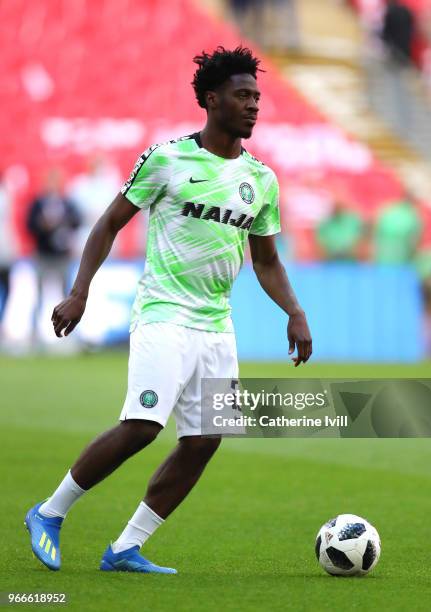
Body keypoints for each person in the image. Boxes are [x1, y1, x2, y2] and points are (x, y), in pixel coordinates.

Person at [25, 46, 312, 574]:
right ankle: (48, 512)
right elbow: (110, 222)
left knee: (204, 441)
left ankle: (126, 548)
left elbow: (266, 260)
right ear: (212, 100)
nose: (253, 106)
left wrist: (293, 312)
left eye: (257, 97)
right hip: (164, 312)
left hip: (216, 323)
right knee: (142, 425)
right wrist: (80, 290)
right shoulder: (167, 158)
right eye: (242, 96)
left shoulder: (262, 180)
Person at [26, 169, 81, 345]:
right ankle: (34, 335)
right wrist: (43, 226)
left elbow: (77, 221)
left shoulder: (67, 203)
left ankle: (68, 335)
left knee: (67, 296)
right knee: (39, 295)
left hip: (62, 255)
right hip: (43, 254)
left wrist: (62, 223)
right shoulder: (38, 203)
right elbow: (29, 225)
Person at [0, 173, 18, 338]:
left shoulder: (5, 194)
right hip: (4, 246)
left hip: (4, 248)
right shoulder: (5, 194)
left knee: (7, 288)